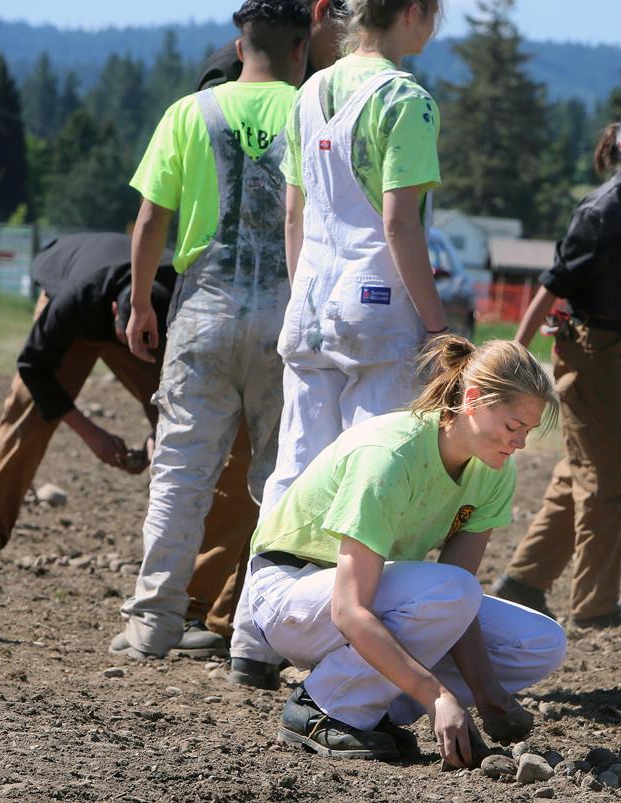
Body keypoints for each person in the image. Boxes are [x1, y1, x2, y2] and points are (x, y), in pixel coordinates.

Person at [226, 0, 448, 687]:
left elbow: (294, 213)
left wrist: (306, 293)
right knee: (370, 488)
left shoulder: (309, 92)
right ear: (412, 12)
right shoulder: (406, 100)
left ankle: (252, 634)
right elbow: (399, 222)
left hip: (312, 305)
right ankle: (355, 643)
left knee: (293, 472)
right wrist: (438, 326)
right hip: (378, 316)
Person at [245, 335, 565, 766]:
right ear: (472, 400)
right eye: (513, 426)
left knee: (540, 643)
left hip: (365, 594)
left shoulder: (494, 471)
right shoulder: (389, 455)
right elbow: (348, 609)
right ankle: (323, 709)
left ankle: (369, 708)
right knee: (450, 589)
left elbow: (461, 601)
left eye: (527, 430)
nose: (520, 443)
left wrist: (485, 691)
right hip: (290, 595)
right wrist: (436, 696)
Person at [111, 0, 312, 659]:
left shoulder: (187, 113)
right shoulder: (313, 113)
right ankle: (257, 634)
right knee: (281, 481)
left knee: (180, 473)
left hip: (202, 309)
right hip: (285, 317)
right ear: (301, 49)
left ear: (238, 43)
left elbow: (149, 223)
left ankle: (152, 625)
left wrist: (141, 303)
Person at [0, 233, 258, 658]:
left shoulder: (179, 306)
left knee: (193, 422)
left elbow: (182, 393)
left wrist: (160, 433)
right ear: (118, 311)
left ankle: (199, 604)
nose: (130, 348)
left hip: (150, 319)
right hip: (80, 305)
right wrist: (91, 433)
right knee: (27, 409)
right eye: (128, 334)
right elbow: (33, 367)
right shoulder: (77, 300)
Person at [488, 107, 621, 628]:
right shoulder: (601, 210)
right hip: (586, 354)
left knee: (579, 472)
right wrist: (515, 353)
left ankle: (522, 582)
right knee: (608, 480)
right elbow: (552, 283)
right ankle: (595, 607)